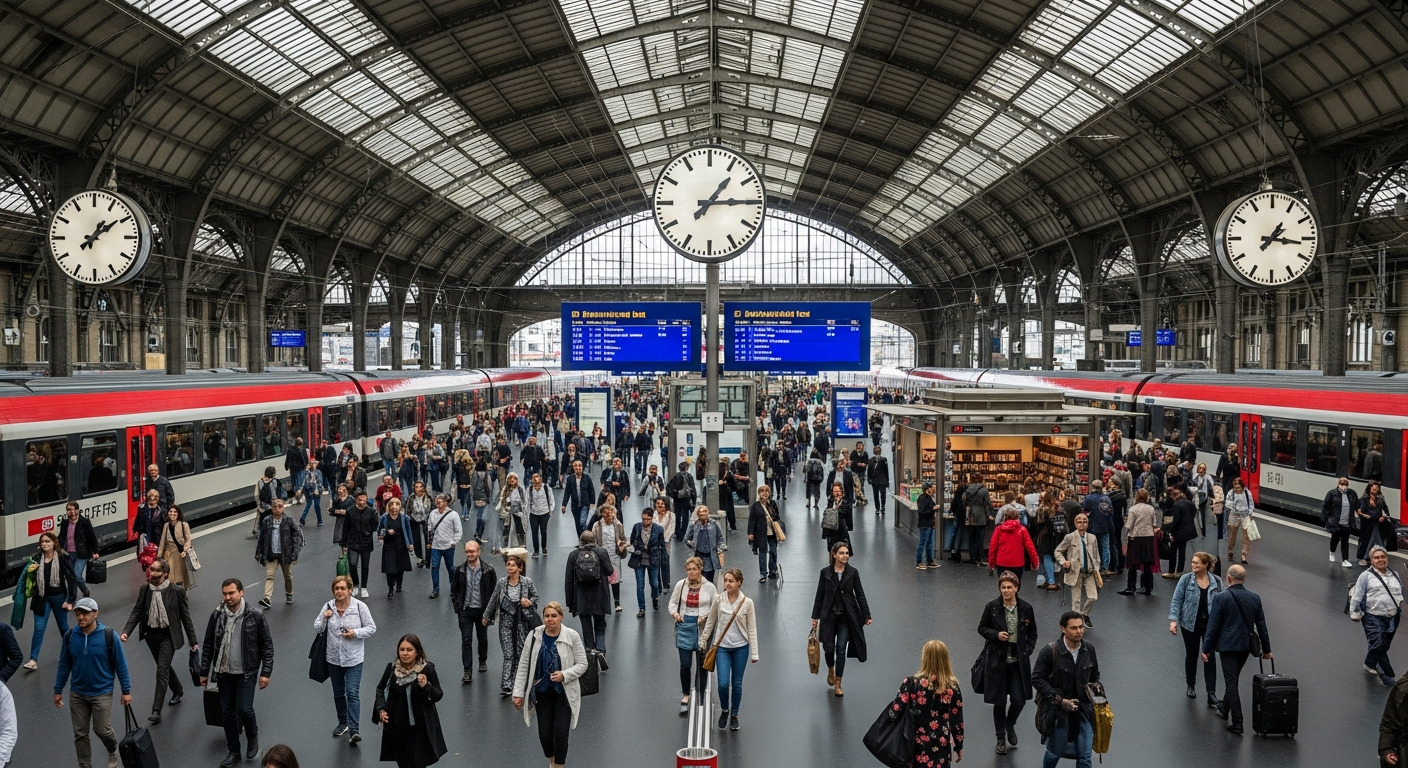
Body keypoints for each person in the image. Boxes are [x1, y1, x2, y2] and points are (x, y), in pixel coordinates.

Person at [199, 578, 275, 767]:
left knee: (244, 709)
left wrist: (265, 672)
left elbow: (267, 646)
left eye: (231, 593)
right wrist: (204, 671)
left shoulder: (254, 615)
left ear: (241, 593)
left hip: (246, 673)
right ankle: (233, 751)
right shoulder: (217, 616)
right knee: (227, 713)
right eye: (224, 594)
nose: (227, 597)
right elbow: (208, 643)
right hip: (224, 673)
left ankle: (252, 735)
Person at [53, 597, 130, 768]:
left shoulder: (109, 635)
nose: (81, 617)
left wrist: (126, 691)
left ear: (95, 613)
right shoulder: (70, 636)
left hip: (102, 693)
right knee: (80, 734)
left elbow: (120, 664)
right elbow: (64, 664)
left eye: (85, 613)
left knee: (102, 729)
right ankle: (85, 765)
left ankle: (112, 748)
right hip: (78, 694)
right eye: (78, 613)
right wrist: (58, 689)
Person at [120, 558, 197, 723]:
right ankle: (178, 690)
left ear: (165, 573)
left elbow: (185, 617)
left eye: (155, 570)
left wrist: (193, 640)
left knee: (161, 670)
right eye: (151, 569)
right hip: (151, 636)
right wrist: (126, 631)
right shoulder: (145, 590)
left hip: (168, 636)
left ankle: (156, 710)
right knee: (165, 666)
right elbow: (137, 611)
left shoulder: (176, 591)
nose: (151, 572)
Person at [512, 602, 589, 768]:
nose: (550, 619)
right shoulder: (534, 636)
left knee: (560, 733)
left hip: (564, 693)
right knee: (545, 734)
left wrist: (564, 675)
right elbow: (524, 665)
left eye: (554, 616)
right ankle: (552, 760)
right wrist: (518, 693)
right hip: (542, 691)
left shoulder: (572, 636)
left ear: (561, 617)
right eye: (547, 616)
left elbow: (583, 664)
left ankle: (559, 765)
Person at [1200, 564, 1271, 735]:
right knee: (1234, 676)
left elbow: (1213, 625)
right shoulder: (1254, 597)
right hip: (1245, 646)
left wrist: (1206, 648)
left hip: (1227, 645)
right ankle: (1225, 707)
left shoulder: (1221, 598)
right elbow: (1261, 625)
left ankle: (1238, 722)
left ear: (1229, 578)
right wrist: (1267, 649)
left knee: (1231, 681)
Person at [978, 570, 1037, 755]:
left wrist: (1027, 650)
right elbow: (982, 627)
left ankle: (1009, 724)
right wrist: (996, 635)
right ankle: (1000, 738)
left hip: (1017, 662)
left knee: (1019, 700)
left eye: (1009, 587)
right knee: (999, 701)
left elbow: (1033, 633)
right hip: (998, 661)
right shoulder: (992, 607)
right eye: (1003, 587)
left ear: (1016, 588)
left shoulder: (1026, 608)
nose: (1005, 590)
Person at [1032, 612, 1100, 767]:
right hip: (1058, 712)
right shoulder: (1050, 651)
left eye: (1081, 627)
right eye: (1074, 628)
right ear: (1063, 628)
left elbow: (1094, 675)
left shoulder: (1089, 649)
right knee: (1054, 752)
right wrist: (1059, 701)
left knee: (1085, 756)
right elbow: (1037, 678)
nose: (1079, 631)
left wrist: (1095, 692)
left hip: (1084, 710)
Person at [882, 640, 965, 767]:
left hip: (915, 744)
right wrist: (958, 747)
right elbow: (957, 722)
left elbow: (894, 711)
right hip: (941, 744)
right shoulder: (952, 687)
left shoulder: (911, 683)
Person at [314, 575, 376, 744]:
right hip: (333, 658)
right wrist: (325, 618)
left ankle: (354, 730)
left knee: (352, 693)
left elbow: (371, 628)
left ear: (350, 590)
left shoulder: (359, 607)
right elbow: (317, 628)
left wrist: (355, 633)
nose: (339, 592)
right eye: (337, 589)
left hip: (354, 658)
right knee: (338, 693)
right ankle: (343, 723)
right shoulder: (328, 607)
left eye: (343, 588)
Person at [372, 635, 448, 768]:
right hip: (398, 726)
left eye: (409, 650)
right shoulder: (392, 668)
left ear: (417, 651)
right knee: (403, 762)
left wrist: (426, 686)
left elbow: (438, 695)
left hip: (420, 727)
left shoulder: (427, 669)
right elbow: (380, 689)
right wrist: (381, 710)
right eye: (402, 650)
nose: (405, 653)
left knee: (418, 762)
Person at [810, 541, 871, 698]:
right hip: (829, 616)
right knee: (829, 648)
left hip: (846, 616)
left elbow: (860, 593)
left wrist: (866, 615)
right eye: (842, 553)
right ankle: (831, 669)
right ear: (834, 554)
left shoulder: (853, 572)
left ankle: (838, 682)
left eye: (847, 553)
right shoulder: (825, 573)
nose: (845, 556)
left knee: (841, 649)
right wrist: (815, 616)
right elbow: (819, 595)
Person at [702, 568, 760, 730]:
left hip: (741, 648)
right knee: (722, 683)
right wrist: (704, 639)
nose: (727, 583)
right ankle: (724, 709)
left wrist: (754, 652)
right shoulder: (719, 600)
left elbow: (752, 628)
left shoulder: (747, 603)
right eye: (725, 580)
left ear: (739, 583)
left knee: (737, 684)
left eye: (731, 581)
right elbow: (711, 620)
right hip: (722, 648)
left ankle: (734, 714)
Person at [1167, 551, 1223, 706]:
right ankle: (1191, 685)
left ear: (1205, 565)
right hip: (1189, 623)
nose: (1193, 565)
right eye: (1192, 562)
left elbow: (1222, 604)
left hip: (1210, 626)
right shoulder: (1186, 579)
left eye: (1197, 563)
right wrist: (1173, 620)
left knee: (1209, 657)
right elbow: (1177, 600)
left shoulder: (1217, 582)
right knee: (1192, 655)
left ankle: (1211, 693)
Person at [482, 552, 540, 696]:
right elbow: (493, 599)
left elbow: (536, 597)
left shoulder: (527, 582)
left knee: (520, 652)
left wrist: (530, 602)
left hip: (522, 622)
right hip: (506, 623)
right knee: (508, 654)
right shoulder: (502, 583)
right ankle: (507, 684)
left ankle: (520, 682)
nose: (510, 567)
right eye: (508, 564)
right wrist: (486, 616)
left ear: (520, 568)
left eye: (513, 565)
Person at [22, 531, 78, 671]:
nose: (45, 544)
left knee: (64, 628)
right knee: (39, 628)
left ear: (54, 543)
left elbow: (71, 578)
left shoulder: (62, 557)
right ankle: (33, 660)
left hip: (59, 598)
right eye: (42, 542)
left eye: (48, 541)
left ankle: (72, 654)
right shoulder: (35, 558)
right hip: (40, 598)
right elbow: (28, 578)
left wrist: (70, 600)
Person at [1351, 545, 1406, 687]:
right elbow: (1357, 596)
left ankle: (1369, 663)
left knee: (1383, 645)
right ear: (1371, 560)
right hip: (1372, 617)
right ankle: (1388, 676)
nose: (1380, 560)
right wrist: (1355, 612)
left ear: (1387, 558)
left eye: (1383, 557)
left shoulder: (1394, 574)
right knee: (1380, 645)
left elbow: (1401, 592)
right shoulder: (1365, 576)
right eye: (1376, 557)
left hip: (1393, 616)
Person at [669, 557, 717, 715]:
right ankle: (686, 695)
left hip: (702, 627)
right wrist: (675, 614)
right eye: (689, 569)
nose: (691, 572)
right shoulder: (680, 585)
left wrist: (705, 616)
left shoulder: (709, 587)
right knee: (685, 664)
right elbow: (673, 603)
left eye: (694, 569)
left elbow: (715, 607)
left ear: (700, 569)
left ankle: (701, 692)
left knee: (702, 662)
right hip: (684, 625)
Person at [450, 540, 496, 684]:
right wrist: (458, 607)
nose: (470, 554)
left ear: (478, 552)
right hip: (466, 610)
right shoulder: (460, 570)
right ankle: (467, 671)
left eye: (472, 551)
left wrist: (489, 613)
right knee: (466, 640)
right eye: (467, 552)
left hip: (482, 611)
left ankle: (482, 660)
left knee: (482, 638)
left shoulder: (488, 570)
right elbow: (454, 590)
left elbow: (494, 593)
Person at [564, 530, 615, 660]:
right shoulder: (601, 552)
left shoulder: (574, 555)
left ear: (580, 541)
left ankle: (590, 650)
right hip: (600, 594)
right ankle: (601, 649)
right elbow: (609, 571)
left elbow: (568, 581)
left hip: (581, 596)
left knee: (585, 623)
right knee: (600, 623)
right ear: (594, 541)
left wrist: (570, 602)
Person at [1054, 514, 1101, 629]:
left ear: (1088, 524)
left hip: (1089, 572)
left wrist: (1097, 568)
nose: (1082, 523)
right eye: (1079, 522)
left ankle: (1084, 614)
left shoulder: (1092, 538)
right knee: (1076, 601)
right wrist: (1063, 561)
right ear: (1075, 524)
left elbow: (1096, 555)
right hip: (1075, 573)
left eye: (1085, 521)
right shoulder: (1070, 537)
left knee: (1093, 597)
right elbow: (1058, 551)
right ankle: (1077, 625)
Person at [254, 498, 302, 608]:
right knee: (270, 576)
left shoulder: (289, 520)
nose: (277, 509)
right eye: (275, 507)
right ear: (272, 508)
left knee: (288, 576)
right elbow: (262, 537)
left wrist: (295, 553)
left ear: (283, 507)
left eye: (280, 506)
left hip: (285, 554)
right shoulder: (267, 521)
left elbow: (297, 536)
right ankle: (267, 598)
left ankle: (289, 594)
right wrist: (258, 553)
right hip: (271, 554)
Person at [1117, 488, 1158, 597]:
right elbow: (1154, 523)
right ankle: (1148, 587)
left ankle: (1131, 587)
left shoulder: (1133, 509)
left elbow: (1129, 525)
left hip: (1135, 538)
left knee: (1133, 563)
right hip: (1148, 537)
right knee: (1147, 564)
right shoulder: (1151, 509)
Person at [57, 502, 100, 598]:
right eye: (68, 510)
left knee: (76, 574)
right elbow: (61, 537)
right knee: (70, 577)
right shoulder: (64, 523)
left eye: (72, 509)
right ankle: (71, 598)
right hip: (68, 553)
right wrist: (57, 548)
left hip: (82, 553)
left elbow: (91, 537)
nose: (71, 512)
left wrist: (95, 551)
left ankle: (84, 590)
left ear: (77, 510)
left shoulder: (84, 522)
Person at [988, 504, 1039, 586]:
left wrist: (991, 563)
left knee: (1003, 586)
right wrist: (1035, 562)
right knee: (1015, 586)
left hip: (1002, 562)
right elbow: (1030, 547)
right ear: (1017, 517)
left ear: (1005, 517)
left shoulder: (999, 530)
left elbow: (993, 547)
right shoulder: (1022, 530)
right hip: (1017, 563)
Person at [629, 508, 667, 616]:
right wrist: (636, 548)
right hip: (639, 559)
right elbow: (632, 539)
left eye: (648, 519)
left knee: (654, 584)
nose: (645, 521)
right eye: (643, 519)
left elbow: (662, 545)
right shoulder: (637, 527)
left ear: (652, 518)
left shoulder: (658, 529)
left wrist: (663, 560)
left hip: (653, 559)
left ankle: (655, 598)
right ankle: (642, 608)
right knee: (640, 585)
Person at [341, 491, 379, 598]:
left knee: (365, 566)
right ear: (356, 500)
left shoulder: (371, 511)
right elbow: (345, 529)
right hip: (353, 542)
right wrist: (344, 544)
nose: (362, 502)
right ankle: (356, 585)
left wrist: (369, 531)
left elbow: (376, 524)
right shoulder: (350, 511)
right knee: (353, 565)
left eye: (363, 499)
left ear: (366, 499)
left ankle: (364, 587)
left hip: (366, 542)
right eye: (359, 499)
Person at [591, 505, 628, 613]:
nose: (609, 515)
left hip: (614, 556)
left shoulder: (618, 525)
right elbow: (593, 541)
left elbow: (623, 538)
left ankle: (617, 603)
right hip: (601, 557)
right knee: (602, 581)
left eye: (611, 512)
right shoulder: (596, 526)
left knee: (615, 580)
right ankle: (603, 603)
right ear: (602, 514)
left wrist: (622, 546)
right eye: (607, 512)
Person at [379, 498, 416, 600]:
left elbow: (408, 531)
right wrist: (386, 531)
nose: (394, 509)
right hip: (389, 545)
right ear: (389, 507)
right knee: (389, 568)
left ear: (399, 507)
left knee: (400, 567)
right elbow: (379, 530)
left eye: (397, 506)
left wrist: (411, 543)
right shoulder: (384, 518)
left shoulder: (404, 518)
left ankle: (399, 584)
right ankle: (391, 588)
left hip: (401, 544)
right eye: (392, 506)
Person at [747, 484, 783, 583]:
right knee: (762, 553)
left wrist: (772, 515)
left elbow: (777, 517)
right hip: (760, 532)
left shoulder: (772, 504)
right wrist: (750, 533)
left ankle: (772, 570)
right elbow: (752, 520)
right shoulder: (755, 506)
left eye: (766, 491)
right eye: (762, 491)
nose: (764, 493)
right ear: (759, 493)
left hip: (772, 532)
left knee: (773, 551)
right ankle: (763, 573)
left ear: (769, 493)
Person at [1323, 477, 1360, 567]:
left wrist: (1359, 512)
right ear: (1338, 484)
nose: (1343, 486)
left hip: (1347, 521)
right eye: (1342, 484)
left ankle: (1345, 560)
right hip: (1336, 522)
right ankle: (1332, 551)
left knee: (1345, 541)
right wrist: (1326, 520)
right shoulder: (1332, 493)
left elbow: (1357, 504)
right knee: (1335, 539)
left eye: (1345, 484)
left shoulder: (1352, 493)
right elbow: (1325, 507)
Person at [1080, 480, 1114, 575]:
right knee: (1105, 547)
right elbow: (1110, 514)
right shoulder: (1106, 499)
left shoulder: (1088, 498)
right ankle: (1105, 567)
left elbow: (1084, 508)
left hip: (1092, 525)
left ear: (1092, 487)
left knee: (1091, 546)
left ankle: (1091, 566)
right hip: (1104, 526)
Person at [685, 504, 725, 584]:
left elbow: (720, 538)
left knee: (709, 580)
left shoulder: (714, 524)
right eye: (700, 512)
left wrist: (719, 550)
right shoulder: (695, 524)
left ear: (708, 512)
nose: (702, 513)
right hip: (698, 556)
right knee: (698, 579)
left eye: (704, 511)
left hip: (711, 557)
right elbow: (686, 538)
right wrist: (692, 544)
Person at [157, 505, 195, 589]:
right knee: (170, 576)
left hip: (179, 554)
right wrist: (159, 556)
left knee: (180, 575)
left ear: (178, 514)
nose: (172, 514)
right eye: (170, 511)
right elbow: (162, 541)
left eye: (175, 512)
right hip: (168, 553)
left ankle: (181, 593)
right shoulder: (166, 525)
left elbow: (188, 540)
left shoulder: (183, 525)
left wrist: (185, 551)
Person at [1163, 488, 1198, 578]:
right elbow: (1194, 513)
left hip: (1178, 531)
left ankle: (1171, 572)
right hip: (1187, 531)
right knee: (1182, 551)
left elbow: (1176, 520)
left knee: (1173, 551)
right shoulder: (1190, 503)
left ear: (1174, 496)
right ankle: (1179, 571)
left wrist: (1171, 532)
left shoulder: (1177, 505)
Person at [962, 473, 993, 566]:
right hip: (980, 515)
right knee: (980, 538)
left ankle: (972, 557)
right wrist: (989, 515)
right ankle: (980, 558)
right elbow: (987, 504)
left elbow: (963, 500)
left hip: (971, 515)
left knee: (971, 538)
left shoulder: (968, 489)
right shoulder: (984, 490)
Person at [1224, 477, 1255, 566]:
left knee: (1246, 536)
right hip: (1234, 515)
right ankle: (1230, 550)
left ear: (1242, 486)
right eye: (1235, 487)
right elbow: (1227, 503)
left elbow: (1251, 503)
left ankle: (1243, 555)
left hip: (1245, 515)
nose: (1237, 489)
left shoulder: (1247, 492)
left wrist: (1250, 513)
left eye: (1238, 487)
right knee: (1232, 535)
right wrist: (1234, 507)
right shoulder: (1231, 493)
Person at [562, 460, 596, 538]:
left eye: (580, 465)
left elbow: (592, 491)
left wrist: (592, 503)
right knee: (577, 524)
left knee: (582, 522)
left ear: (582, 467)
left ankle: (586, 538)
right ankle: (581, 540)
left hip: (585, 504)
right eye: (576, 466)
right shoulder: (570, 479)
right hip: (575, 506)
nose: (578, 468)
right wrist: (564, 505)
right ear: (573, 468)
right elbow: (567, 492)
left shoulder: (587, 478)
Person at [1360, 481, 1392, 565]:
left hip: (1377, 524)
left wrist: (1383, 517)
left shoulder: (1380, 500)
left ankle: (1372, 557)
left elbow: (1387, 513)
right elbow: (1359, 511)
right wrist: (1364, 515)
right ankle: (1365, 557)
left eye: (1377, 488)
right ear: (1369, 488)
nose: (1375, 490)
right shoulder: (1364, 499)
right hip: (1367, 524)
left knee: (1377, 541)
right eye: (1373, 488)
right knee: (1368, 541)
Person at [526, 473, 555, 559]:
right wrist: (527, 513)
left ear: (541, 478)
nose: (535, 479)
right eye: (533, 477)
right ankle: (536, 551)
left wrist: (551, 510)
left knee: (543, 531)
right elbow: (527, 501)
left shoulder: (546, 488)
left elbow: (551, 499)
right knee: (534, 532)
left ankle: (544, 547)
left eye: (537, 477)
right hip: (533, 514)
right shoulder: (530, 489)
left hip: (544, 513)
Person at [406, 481, 433, 567]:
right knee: (416, 540)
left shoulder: (428, 498)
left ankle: (428, 559)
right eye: (416, 487)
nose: (419, 489)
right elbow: (408, 510)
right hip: (414, 522)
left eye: (420, 487)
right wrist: (410, 519)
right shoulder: (411, 498)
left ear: (423, 488)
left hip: (426, 522)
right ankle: (420, 558)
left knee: (428, 540)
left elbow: (432, 510)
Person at [821, 482, 853, 556]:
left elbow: (844, 513)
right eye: (835, 491)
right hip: (831, 530)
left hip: (841, 530)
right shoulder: (831, 501)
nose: (837, 493)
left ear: (842, 491)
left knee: (842, 550)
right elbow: (827, 514)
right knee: (832, 551)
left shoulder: (845, 502)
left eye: (838, 491)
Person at [916, 482, 939, 570]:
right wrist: (932, 509)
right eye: (931, 488)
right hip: (924, 524)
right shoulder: (922, 498)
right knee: (922, 543)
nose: (933, 490)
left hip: (929, 524)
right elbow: (922, 512)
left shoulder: (929, 498)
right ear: (927, 489)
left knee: (929, 543)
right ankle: (919, 562)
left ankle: (930, 561)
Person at [867, 449, 890, 515]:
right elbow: (869, 471)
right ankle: (878, 507)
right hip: (875, 480)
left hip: (881, 480)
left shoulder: (884, 460)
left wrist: (887, 482)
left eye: (878, 451)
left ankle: (882, 506)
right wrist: (869, 479)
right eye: (876, 451)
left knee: (882, 494)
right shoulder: (871, 460)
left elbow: (886, 471)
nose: (877, 453)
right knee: (876, 495)